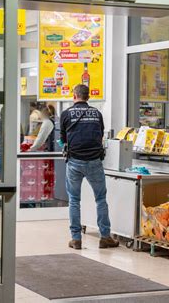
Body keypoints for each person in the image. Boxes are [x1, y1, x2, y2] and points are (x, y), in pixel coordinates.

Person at [60, 84, 119, 249]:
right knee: (100, 199)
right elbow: (100, 135)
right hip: (94, 161)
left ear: (74, 96)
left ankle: (76, 239)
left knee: (74, 200)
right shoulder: (97, 113)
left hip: (74, 162)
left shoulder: (66, 114)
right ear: (88, 97)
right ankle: (105, 237)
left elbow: (62, 139)